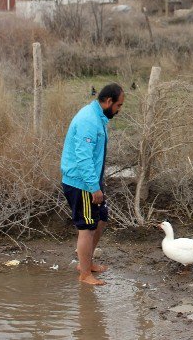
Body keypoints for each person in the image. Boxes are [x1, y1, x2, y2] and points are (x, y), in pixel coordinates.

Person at [61, 83, 125, 285]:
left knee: (101, 219)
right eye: (119, 105)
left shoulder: (98, 117)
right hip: (81, 184)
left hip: (91, 181)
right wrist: (93, 187)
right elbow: (83, 158)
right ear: (108, 102)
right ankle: (85, 274)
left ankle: (86, 263)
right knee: (87, 227)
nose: (119, 110)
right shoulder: (89, 120)